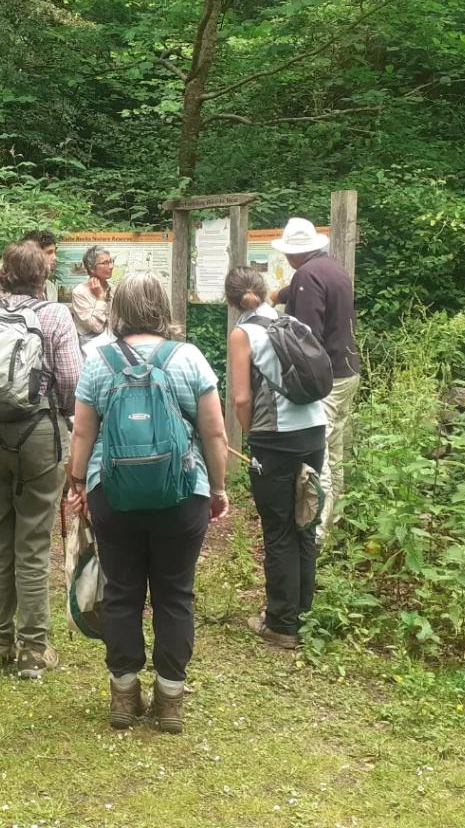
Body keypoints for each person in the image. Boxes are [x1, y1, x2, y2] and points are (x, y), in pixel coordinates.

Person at [67, 272, 229, 733]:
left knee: (121, 591)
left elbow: (83, 431)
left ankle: (123, 695)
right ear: (163, 306)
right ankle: (170, 700)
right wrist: (217, 489)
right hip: (182, 492)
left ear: (118, 307)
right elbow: (215, 432)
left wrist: (78, 482)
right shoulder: (189, 358)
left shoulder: (99, 361)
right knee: (176, 593)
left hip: (112, 493)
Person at [0, 241, 81, 679]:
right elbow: (70, 381)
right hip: (40, 435)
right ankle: (32, 651)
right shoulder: (56, 316)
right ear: (42, 277)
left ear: (3, 273)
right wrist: (60, 418)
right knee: (34, 542)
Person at [227, 267, 326, 651]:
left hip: (276, 439)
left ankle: (282, 624)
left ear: (231, 300)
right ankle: (303, 613)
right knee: (306, 521)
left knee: (279, 528)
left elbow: (240, 398)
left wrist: (252, 434)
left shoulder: (243, 333)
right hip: (314, 430)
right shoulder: (291, 321)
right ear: (267, 291)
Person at [269, 218, 361, 534]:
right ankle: (336, 517)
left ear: (296, 254)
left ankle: (317, 532)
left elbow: (306, 337)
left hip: (327, 377)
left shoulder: (307, 275)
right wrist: (280, 294)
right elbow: (304, 291)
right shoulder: (332, 268)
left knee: (318, 449)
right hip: (347, 370)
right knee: (336, 448)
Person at [0, 229, 59, 303]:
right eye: (49, 252)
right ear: (32, 254)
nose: (55, 257)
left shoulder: (50, 288)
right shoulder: (6, 287)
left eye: (55, 252)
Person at [70, 246, 114, 346]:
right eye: (105, 263)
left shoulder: (113, 289)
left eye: (111, 261)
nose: (111, 266)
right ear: (91, 268)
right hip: (90, 347)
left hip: (113, 342)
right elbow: (97, 327)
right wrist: (100, 298)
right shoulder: (80, 292)